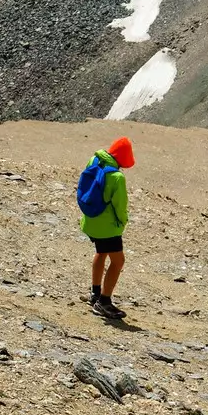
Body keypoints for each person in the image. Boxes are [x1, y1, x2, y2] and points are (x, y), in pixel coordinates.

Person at [79, 136, 134, 319]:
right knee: (118, 261)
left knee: (101, 252)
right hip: (107, 227)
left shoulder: (94, 160)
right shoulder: (117, 177)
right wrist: (123, 221)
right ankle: (104, 302)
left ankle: (95, 293)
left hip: (91, 220)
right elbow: (120, 205)